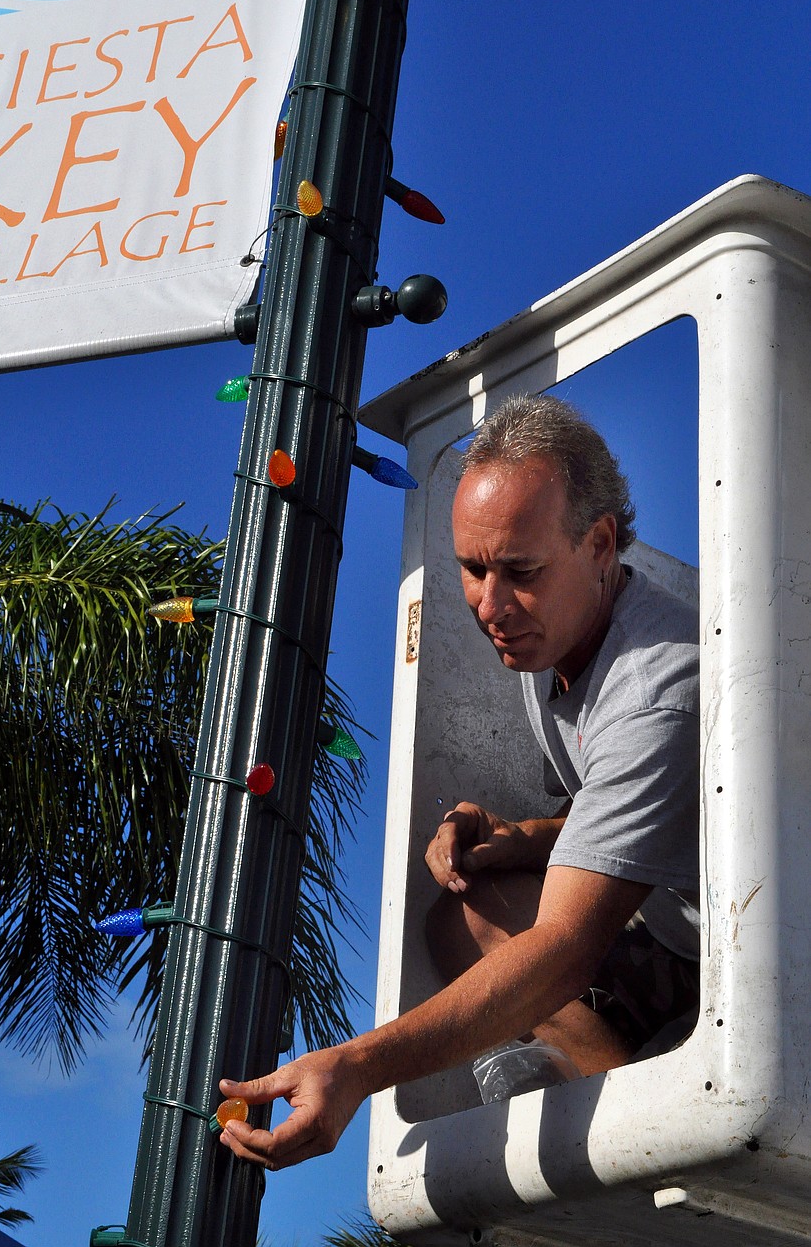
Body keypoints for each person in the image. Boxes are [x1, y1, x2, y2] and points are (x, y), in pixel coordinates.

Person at [218, 394, 699, 1170]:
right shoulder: (555, 632)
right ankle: (633, 1106)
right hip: (674, 927)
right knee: (462, 916)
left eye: (520, 571)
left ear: (600, 543)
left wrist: (357, 1067)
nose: (489, 605)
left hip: (758, 969)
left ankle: (659, 1163)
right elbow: (639, 804)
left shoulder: (654, 688)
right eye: (473, 569)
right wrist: (527, 838)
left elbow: (565, 948)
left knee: (542, 958)